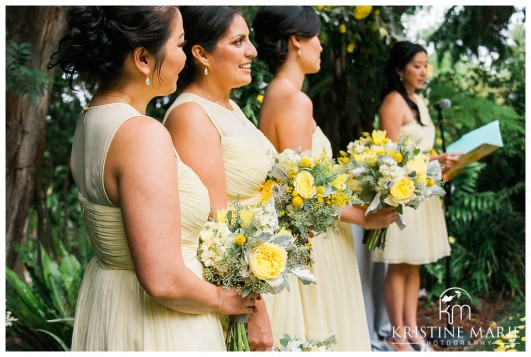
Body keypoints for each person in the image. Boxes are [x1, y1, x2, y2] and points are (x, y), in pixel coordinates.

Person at [48, 6, 257, 351]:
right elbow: (162, 279)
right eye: (179, 45)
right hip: (160, 325)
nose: (183, 56)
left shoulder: (90, 121)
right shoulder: (141, 134)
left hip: (112, 302)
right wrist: (225, 301)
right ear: (144, 58)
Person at [252, 6, 398, 351]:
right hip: (318, 244)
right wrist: (366, 217)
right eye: (315, 37)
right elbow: (300, 196)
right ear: (297, 41)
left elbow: (307, 181)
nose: (320, 45)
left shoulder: (274, 95)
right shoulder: (294, 101)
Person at [162, 6, 274, 351]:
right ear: (201, 53)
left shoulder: (231, 107)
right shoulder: (190, 116)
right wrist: (254, 310)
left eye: (249, 40)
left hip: (265, 267)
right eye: (238, 41)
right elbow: (216, 223)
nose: (252, 51)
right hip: (240, 286)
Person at [372, 40, 460, 352]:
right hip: (403, 193)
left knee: (414, 264)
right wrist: (434, 161)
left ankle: (411, 328)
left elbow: (423, 150)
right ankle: (396, 334)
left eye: (426, 65)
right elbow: (390, 158)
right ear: (399, 69)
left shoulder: (419, 101)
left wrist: (443, 164)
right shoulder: (393, 103)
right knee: (398, 263)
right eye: (416, 65)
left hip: (424, 193)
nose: (424, 71)